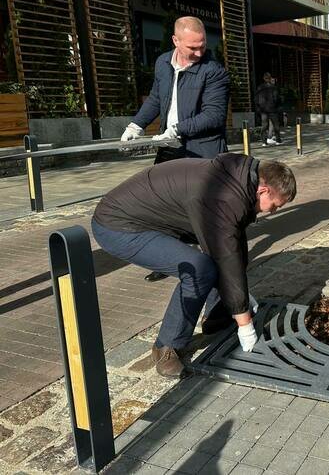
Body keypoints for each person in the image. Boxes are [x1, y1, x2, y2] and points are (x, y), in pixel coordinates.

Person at [92, 154, 297, 378]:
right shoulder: (225, 196)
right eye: (276, 206)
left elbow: (233, 247)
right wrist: (245, 324)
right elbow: (225, 258)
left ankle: (216, 316)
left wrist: (241, 297)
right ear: (263, 190)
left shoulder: (240, 177)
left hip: (150, 217)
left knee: (223, 259)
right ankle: (166, 346)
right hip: (118, 225)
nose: (274, 212)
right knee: (199, 269)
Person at [120, 16, 231, 283]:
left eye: (202, 46)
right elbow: (157, 99)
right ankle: (171, 259)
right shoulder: (162, 63)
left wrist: (179, 128)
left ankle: (216, 263)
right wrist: (136, 124)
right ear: (175, 41)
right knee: (164, 203)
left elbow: (214, 116)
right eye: (192, 47)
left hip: (203, 149)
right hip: (169, 146)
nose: (199, 52)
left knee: (204, 208)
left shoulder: (214, 71)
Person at [255, 72, 282, 146]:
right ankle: (278, 140)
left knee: (264, 126)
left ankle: (264, 142)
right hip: (272, 109)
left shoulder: (260, 87)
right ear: (270, 79)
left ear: (264, 78)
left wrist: (259, 108)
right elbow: (276, 98)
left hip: (263, 110)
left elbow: (256, 99)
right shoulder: (273, 87)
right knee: (276, 125)